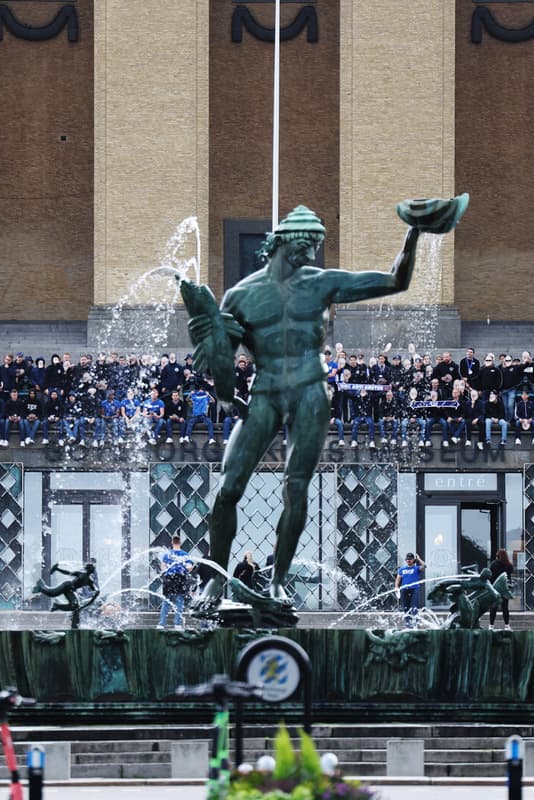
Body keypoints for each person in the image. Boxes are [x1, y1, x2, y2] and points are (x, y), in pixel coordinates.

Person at [189, 200, 462, 610]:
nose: (311, 252)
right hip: (265, 390)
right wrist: (221, 379)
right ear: (281, 241)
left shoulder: (320, 282)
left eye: (316, 244)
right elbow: (219, 363)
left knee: (295, 487)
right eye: (306, 243)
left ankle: (279, 581)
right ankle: (215, 578)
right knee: (228, 488)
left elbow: (393, 281)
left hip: (310, 390)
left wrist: (415, 233)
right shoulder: (240, 295)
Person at [157, 535, 193, 629]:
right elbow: (190, 567)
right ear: (180, 543)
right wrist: (184, 569)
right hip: (180, 578)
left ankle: (161, 624)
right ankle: (177, 624)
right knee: (179, 601)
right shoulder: (184, 554)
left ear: (172, 543)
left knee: (166, 601)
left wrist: (168, 570)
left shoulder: (167, 554)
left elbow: (162, 566)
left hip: (169, 578)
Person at [395, 552, 426, 628]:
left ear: (413, 560)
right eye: (407, 559)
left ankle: (416, 623)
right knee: (406, 608)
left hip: (414, 589)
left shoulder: (416, 568)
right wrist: (396, 587)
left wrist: (418, 559)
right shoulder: (402, 569)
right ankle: (408, 625)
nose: (408, 560)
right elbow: (398, 579)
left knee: (414, 607)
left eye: (410, 559)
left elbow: (424, 566)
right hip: (404, 590)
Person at [488, 549, 514, 630]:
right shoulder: (508, 565)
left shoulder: (494, 564)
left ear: (498, 556)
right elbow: (509, 576)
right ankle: (507, 625)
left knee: (494, 608)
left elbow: (490, 576)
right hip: (504, 588)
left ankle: (491, 625)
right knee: (505, 607)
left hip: (495, 588)